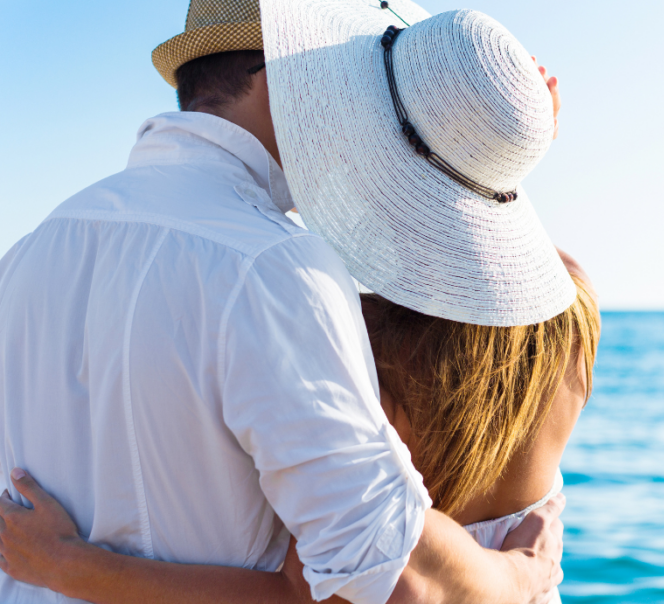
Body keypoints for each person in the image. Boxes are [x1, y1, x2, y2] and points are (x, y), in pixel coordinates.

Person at [0, 0, 572, 603]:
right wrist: (524, 575)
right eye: (348, 82)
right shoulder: (276, 270)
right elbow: (388, 579)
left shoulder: (26, 256)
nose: (361, 113)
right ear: (283, 81)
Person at [0, 255, 600, 604]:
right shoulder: (572, 312)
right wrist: (524, 574)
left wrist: (67, 565)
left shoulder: (375, 339)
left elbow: (306, 596)